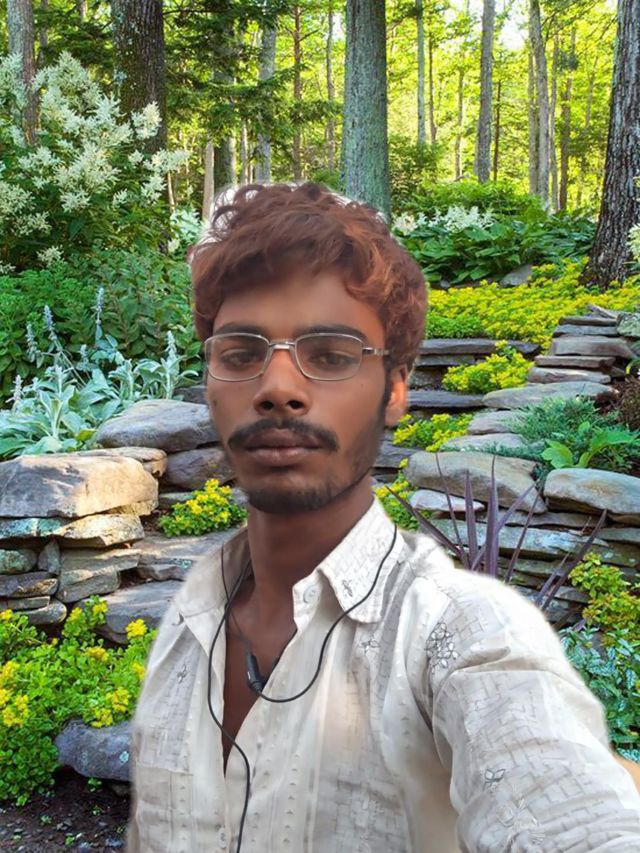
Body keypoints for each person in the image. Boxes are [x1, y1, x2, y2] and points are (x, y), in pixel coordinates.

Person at [127, 182, 640, 852]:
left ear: (396, 389)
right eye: (242, 354)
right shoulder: (191, 620)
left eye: (331, 355)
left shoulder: (455, 631)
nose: (277, 387)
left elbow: (566, 808)